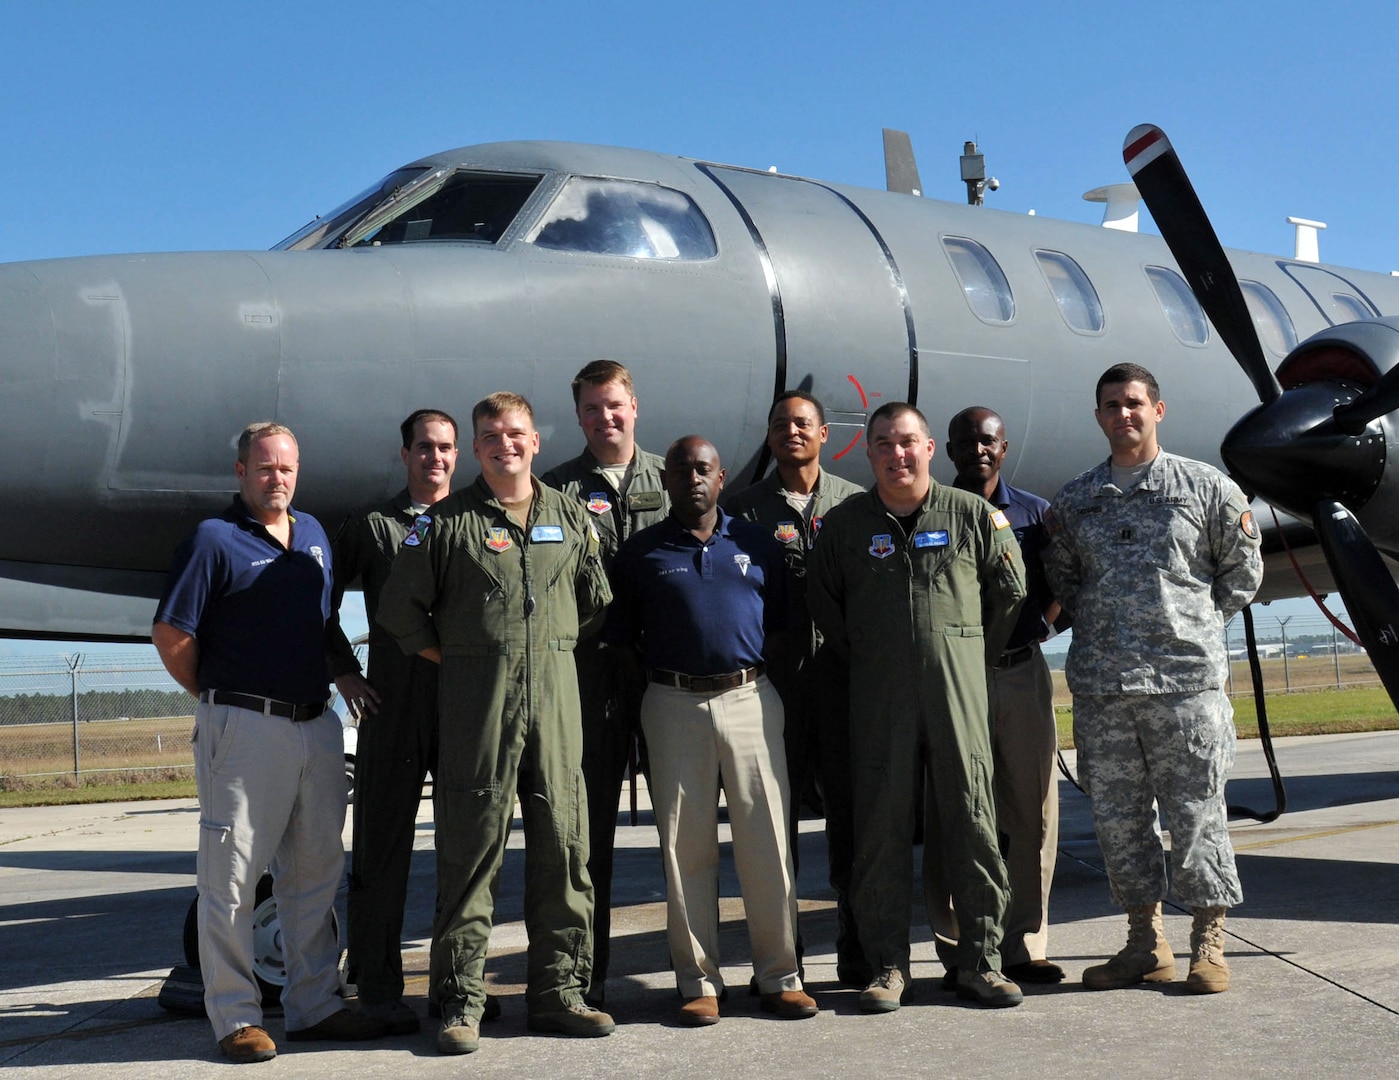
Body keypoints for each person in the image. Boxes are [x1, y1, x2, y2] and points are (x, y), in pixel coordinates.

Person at [376, 392, 614, 1054]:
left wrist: (543, 653)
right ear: (476, 448)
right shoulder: (445, 523)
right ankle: (459, 1000)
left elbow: (592, 603)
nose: (502, 444)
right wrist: (460, 656)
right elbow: (400, 609)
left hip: (557, 705)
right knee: (470, 850)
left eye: (514, 433)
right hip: (477, 709)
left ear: (535, 441)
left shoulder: (570, 516)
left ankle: (560, 992)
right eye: (489, 436)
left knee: (565, 848)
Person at [152, 422, 386, 1064]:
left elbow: (321, 621)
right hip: (245, 726)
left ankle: (315, 1006)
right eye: (263, 468)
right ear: (240, 472)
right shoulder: (214, 540)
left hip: (315, 724)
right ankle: (234, 1018)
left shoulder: (312, 535)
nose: (275, 478)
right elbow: (172, 633)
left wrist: (340, 675)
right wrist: (223, 692)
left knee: (314, 873)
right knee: (230, 877)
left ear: (297, 470)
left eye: (285, 468)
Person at [1043, 363, 1262, 995]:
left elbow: (1241, 576)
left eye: (1134, 403)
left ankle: (1208, 942)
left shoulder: (1205, 489)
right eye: (1111, 405)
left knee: (1197, 815)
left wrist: (1188, 626)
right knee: (1118, 819)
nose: (1124, 415)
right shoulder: (1077, 500)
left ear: (1157, 410)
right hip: (1105, 691)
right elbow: (1066, 582)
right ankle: (1145, 942)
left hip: (1185, 687)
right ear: (1099, 416)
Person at [807, 402, 1028, 1011]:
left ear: (929, 448)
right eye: (883, 443)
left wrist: (961, 649)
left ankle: (982, 961)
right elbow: (826, 605)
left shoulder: (973, 517)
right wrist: (880, 654)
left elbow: (1008, 594)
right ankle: (886, 967)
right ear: (869, 452)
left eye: (907, 442)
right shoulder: (846, 526)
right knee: (880, 830)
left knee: (973, 822)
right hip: (879, 700)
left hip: (956, 695)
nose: (896, 454)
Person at [604, 436, 817, 1026]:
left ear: (722, 478)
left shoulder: (756, 544)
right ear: (665, 480)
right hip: (672, 703)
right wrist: (662, 687)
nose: (693, 478)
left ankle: (780, 975)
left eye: (704, 469)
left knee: (768, 841)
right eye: (682, 470)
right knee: (683, 848)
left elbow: (781, 628)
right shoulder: (641, 553)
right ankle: (698, 981)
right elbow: (622, 641)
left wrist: (740, 674)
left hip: (750, 697)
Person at [725, 390, 866, 983]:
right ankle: (784, 962)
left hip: (843, 685)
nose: (792, 433)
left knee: (853, 822)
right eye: (780, 424)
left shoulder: (856, 504)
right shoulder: (743, 511)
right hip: (775, 687)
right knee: (772, 830)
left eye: (803, 424)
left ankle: (861, 951)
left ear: (824, 433)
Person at [325, 409, 458, 1034]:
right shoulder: (375, 526)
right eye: (425, 448)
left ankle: (459, 986)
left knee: (468, 850)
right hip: (392, 704)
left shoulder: (477, 520)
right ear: (404, 454)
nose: (436, 458)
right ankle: (377, 988)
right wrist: (342, 670)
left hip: (464, 705)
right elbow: (317, 600)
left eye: (446, 448)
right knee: (381, 850)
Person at [540, 359, 668, 1003]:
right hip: (590, 675)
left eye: (614, 404)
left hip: (665, 672)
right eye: (591, 408)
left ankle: (695, 972)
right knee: (585, 830)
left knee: (686, 822)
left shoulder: (672, 480)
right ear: (580, 416)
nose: (604, 417)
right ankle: (583, 974)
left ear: (634, 406)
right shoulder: (555, 490)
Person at [926, 406, 1064, 987]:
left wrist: (1040, 631)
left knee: (1030, 809)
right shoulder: (929, 512)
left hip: (1017, 672)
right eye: (965, 441)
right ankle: (958, 945)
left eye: (987, 441)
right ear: (949, 450)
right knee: (951, 807)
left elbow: (1065, 585)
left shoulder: (1035, 514)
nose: (977, 450)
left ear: (1004, 447)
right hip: (953, 677)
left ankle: (1022, 943)